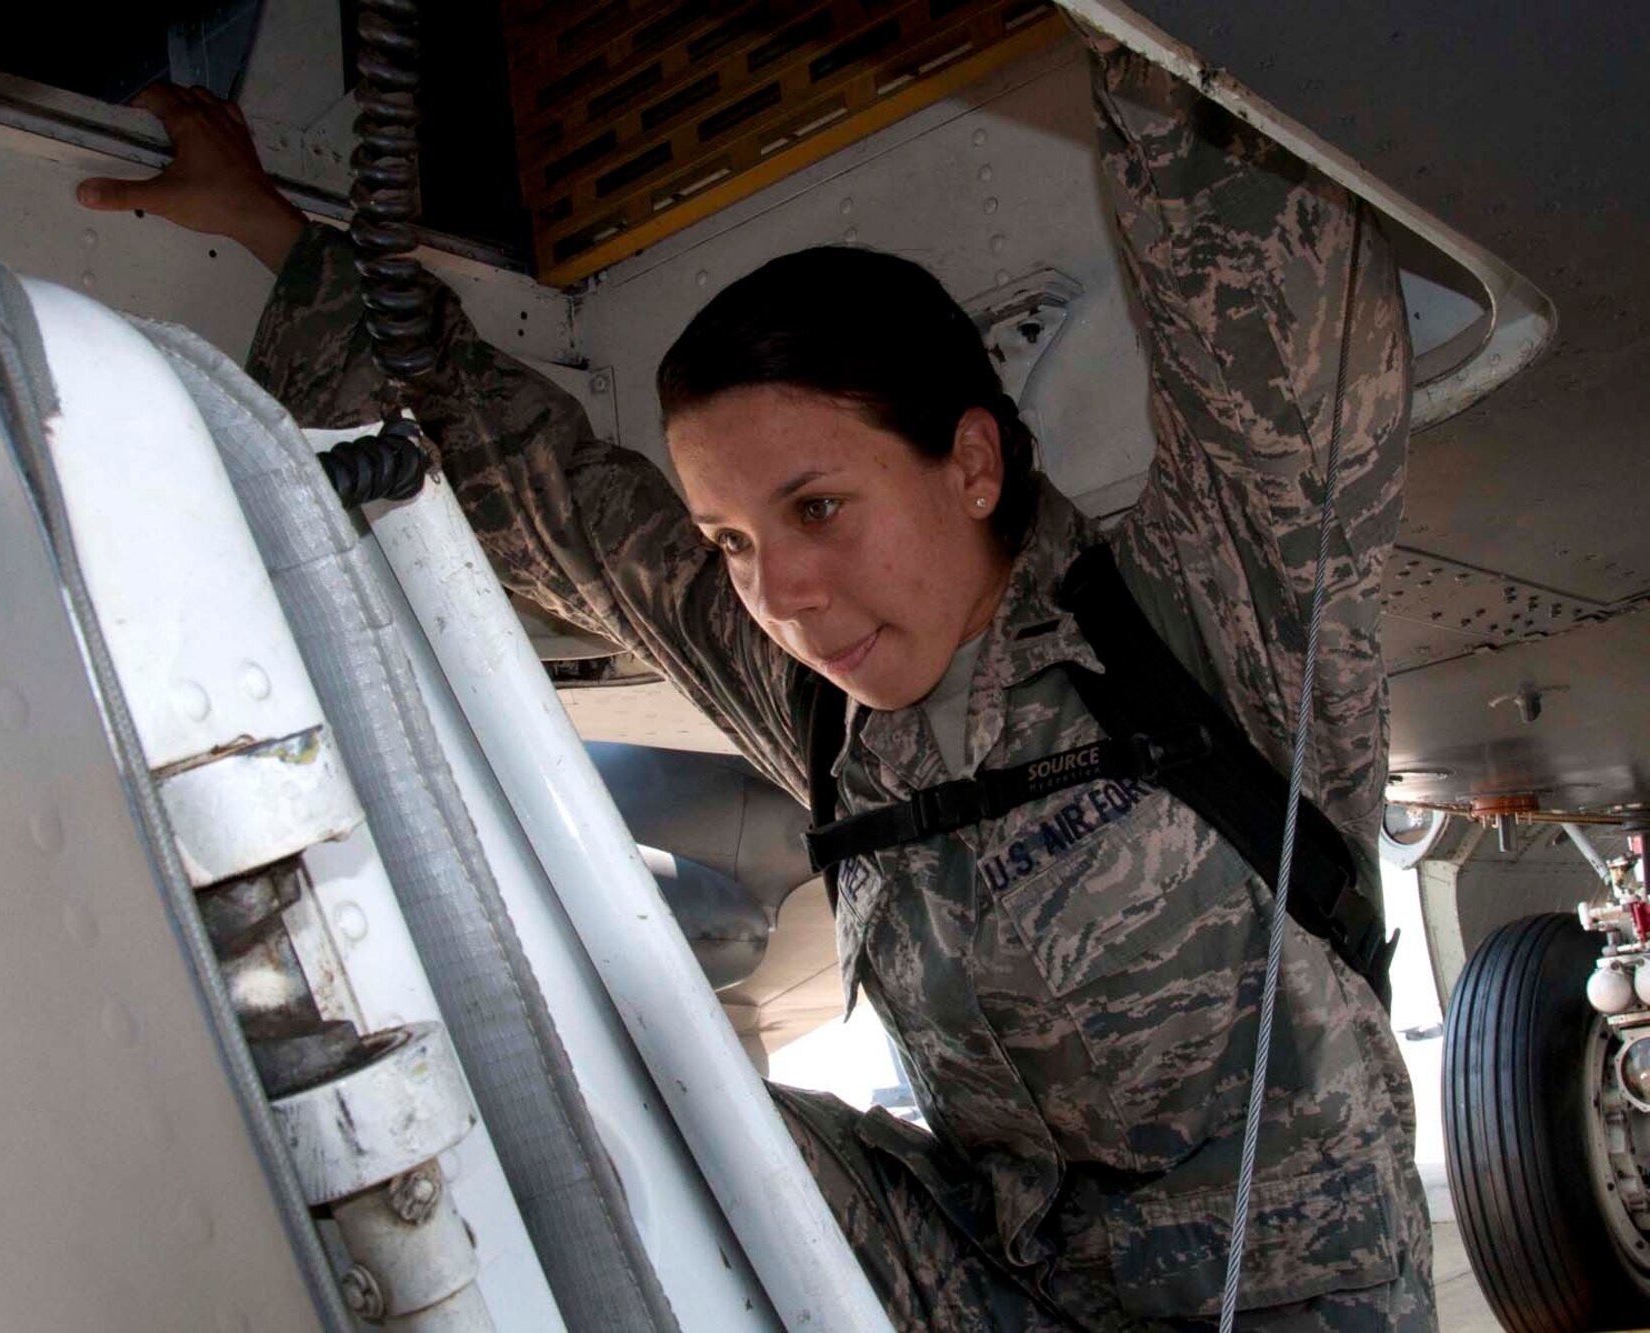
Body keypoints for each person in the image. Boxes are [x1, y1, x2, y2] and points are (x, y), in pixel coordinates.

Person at [80, 26, 1431, 1331]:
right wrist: (270, 228)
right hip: (1004, 1284)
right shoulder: (836, 714)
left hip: (1292, 1304)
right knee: (607, 1117)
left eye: (820, 508)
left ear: (971, 462)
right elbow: (549, 500)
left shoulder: (1204, 624)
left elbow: (1250, 274)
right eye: (734, 540)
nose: (778, 594)